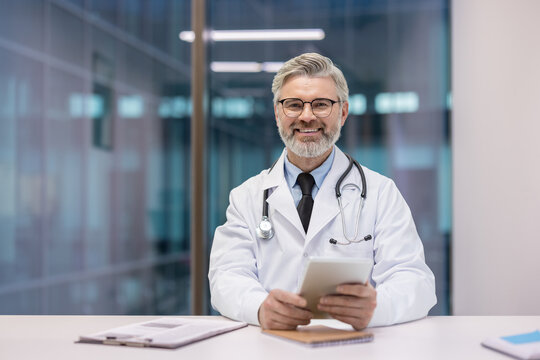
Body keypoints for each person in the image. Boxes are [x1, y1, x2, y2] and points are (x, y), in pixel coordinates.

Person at [208, 52, 436, 330]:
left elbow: (415, 280)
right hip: (272, 347)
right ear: (277, 113)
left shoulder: (381, 193)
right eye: (293, 105)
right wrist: (259, 307)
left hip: (353, 348)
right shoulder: (247, 196)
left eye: (321, 104)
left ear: (343, 112)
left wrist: (377, 307)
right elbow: (226, 276)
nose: (307, 116)